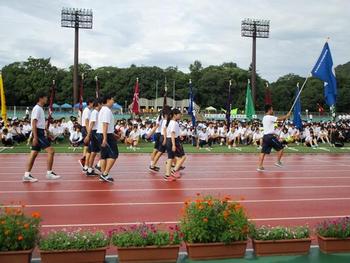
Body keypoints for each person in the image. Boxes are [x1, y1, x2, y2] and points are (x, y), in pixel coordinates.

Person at [23, 93, 60, 182]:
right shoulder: (37, 109)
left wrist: (48, 132)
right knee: (51, 151)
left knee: (33, 154)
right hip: (38, 134)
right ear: (41, 98)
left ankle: (26, 175)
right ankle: (49, 173)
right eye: (45, 97)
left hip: (40, 132)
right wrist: (35, 137)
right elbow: (34, 123)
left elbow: (41, 124)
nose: (47, 99)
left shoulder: (40, 109)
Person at [257, 105, 291, 172]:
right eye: (272, 109)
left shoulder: (264, 118)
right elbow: (279, 119)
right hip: (270, 137)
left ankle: (260, 166)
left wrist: (275, 134)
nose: (273, 111)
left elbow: (269, 128)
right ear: (269, 110)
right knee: (281, 148)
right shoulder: (270, 117)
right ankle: (278, 162)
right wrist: (287, 115)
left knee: (263, 152)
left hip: (266, 137)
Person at [97, 94, 118, 183]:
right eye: (112, 99)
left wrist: (113, 134)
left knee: (104, 156)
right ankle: (105, 174)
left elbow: (105, 125)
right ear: (108, 100)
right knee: (114, 154)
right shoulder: (106, 111)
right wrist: (105, 138)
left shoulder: (103, 110)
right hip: (105, 135)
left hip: (103, 134)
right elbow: (105, 124)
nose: (113, 101)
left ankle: (103, 174)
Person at [165, 108, 186, 181]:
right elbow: (172, 133)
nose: (180, 115)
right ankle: (174, 170)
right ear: (175, 115)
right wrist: (174, 144)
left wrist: (179, 135)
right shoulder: (174, 123)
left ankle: (167, 175)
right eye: (179, 114)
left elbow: (172, 132)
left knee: (170, 158)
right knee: (183, 157)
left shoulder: (170, 122)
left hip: (169, 140)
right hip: (173, 140)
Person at [84, 99, 102, 176]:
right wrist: (88, 135)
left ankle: (90, 169)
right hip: (95, 133)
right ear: (98, 104)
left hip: (95, 133)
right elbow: (91, 124)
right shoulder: (95, 112)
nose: (102, 106)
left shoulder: (96, 112)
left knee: (93, 152)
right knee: (102, 150)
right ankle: (98, 165)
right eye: (101, 104)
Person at [79, 98, 94, 172]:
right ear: (90, 103)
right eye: (93, 103)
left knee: (87, 145)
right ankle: (84, 159)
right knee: (89, 145)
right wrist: (89, 133)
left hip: (85, 128)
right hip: (86, 128)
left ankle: (84, 159)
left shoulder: (87, 110)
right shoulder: (87, 111)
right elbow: (87, 122)